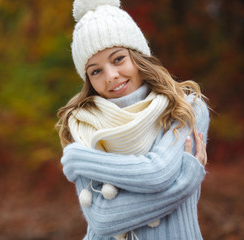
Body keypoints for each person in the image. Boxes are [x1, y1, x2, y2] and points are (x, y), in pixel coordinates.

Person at [56, 0, 210, 239]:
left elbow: (158, 173)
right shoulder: (84, 123)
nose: (111, 76)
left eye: (118, 59)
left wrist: (81, 159)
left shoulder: (185, 108)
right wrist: (185, 182)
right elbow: (103, 220)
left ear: (137, 56)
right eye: (96, 71)